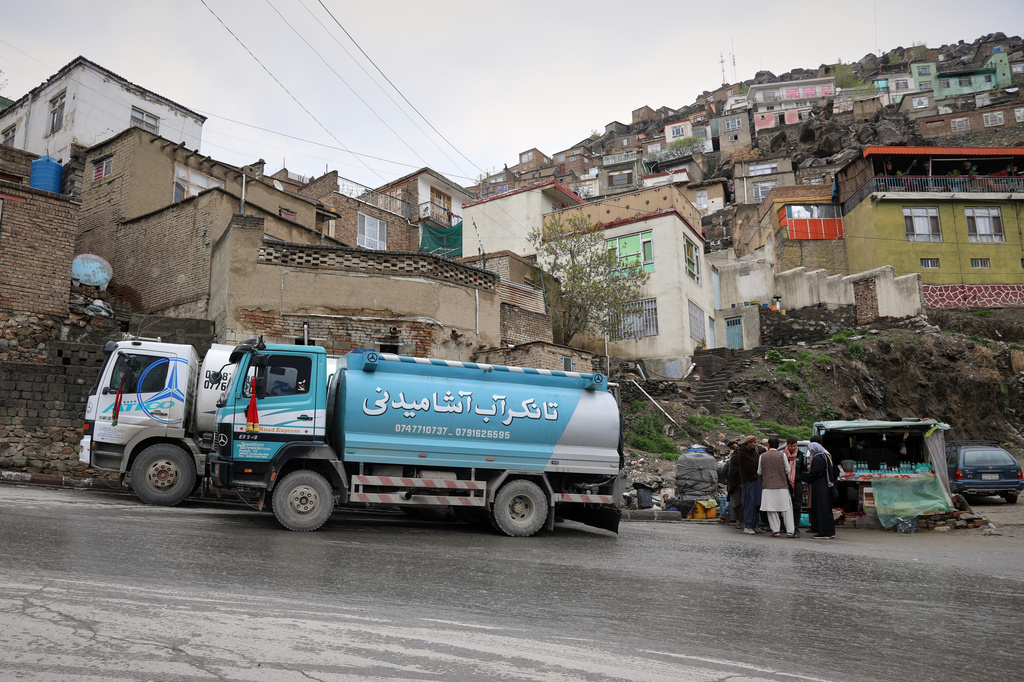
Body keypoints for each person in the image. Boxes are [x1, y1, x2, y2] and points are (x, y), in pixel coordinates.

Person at [758, 437, 794, 537]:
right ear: (778, 446)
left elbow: (759, 472)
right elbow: (788, 470)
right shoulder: (782, 455)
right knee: (786, 509)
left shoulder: (763, 456)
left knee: (771, 509)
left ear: (768, 445)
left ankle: (776, 531)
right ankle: (790, 531)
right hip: (782, 486)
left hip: (767, 486)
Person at [801, 436, 837, 539]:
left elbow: (814, 474)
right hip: (825, 485)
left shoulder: (818, 458)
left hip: (821, 487)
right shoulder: (824, 456)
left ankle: (823, 532)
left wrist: (802, 474)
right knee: (826, 509)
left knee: (821, 509)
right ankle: (829, 531)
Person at [734, 435, 762, 535]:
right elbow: (751, 466)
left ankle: (754, 524)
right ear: (749, 444)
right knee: (749, 503)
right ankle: (748, 525)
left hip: (756, 479)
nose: (756, 444)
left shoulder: (753, 453)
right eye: (754, 443)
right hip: (749, 480)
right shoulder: (743, 453)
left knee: (757, 503)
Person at [783, 436, 802, 538]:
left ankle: (795, 526)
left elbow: (803, 470)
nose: (793, 448)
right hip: (785, 484)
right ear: (787, 445)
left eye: (795, 446)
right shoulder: (782, 455)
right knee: (785, 506)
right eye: (791, 446)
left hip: (797, 484)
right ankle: (785, 526)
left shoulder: (801, 455)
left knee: (797, 506)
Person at [726, 447, 743, 529]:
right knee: (738, 503)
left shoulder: (732, 458)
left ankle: (738, 522)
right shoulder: (741, 458)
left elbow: (724, 470)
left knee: (735, 503)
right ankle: (740, 522)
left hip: (733, 483)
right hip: (738, 484)